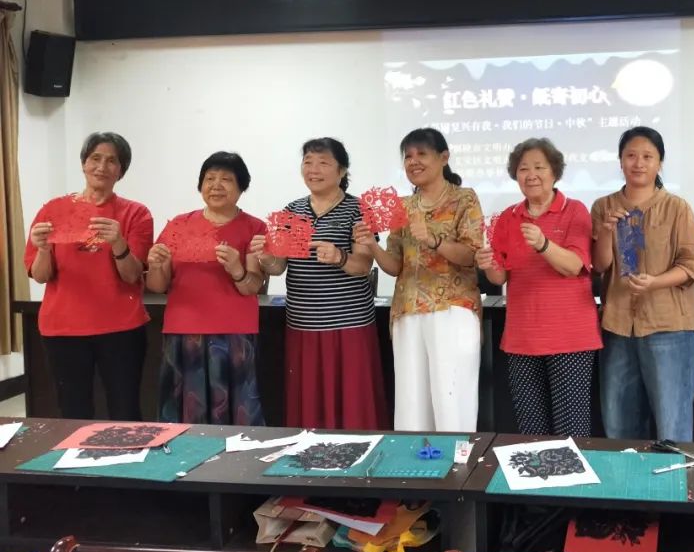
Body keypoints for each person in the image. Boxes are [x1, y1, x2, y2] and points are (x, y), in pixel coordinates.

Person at [250, 138, 387, 430]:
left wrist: (339, 257)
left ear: (342, 171)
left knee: (352, 403)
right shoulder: (292, 211)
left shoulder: (358, 209)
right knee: (309, 405)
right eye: (308, 162)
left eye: (323, 162)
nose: (314, 169)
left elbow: (364, 266)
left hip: (349, 324)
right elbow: (278, 267)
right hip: (303, 324)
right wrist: (265, 257)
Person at [357, 128, 483, 432]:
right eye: (408, 156)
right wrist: (372, 245)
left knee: (450, 396)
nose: (413, 161)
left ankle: (456, 457)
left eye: (421, 154)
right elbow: (395, 265)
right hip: (407, 310)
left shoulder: (464, 198)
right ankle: (413, 456)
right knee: (411, 401)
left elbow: (471, 254)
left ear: (443, 158)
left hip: (452, 309)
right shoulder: (402, 206)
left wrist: (434, 240)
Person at [476, 138, 601, 436]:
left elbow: (574, 265)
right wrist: (487, 263)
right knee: (531, 431)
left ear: (554, 172)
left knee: (571, 431)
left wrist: (544, 244)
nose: (531, 175)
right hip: (522, 338)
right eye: (523, 169)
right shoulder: (508, 218)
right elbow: (499, 278)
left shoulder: (575, 211)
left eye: (539, 167)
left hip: (569, 338)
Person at [25, 132, 152, 420]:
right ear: (84, 163)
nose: (102, 167)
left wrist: (118, 243)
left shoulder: (135, 213)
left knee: (125, 410)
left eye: (112, 161)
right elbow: (41, 276)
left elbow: (133, 275)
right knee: (73, 412)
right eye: (95, 158)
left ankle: (127, 452)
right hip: (63, 327)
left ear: (121, 171)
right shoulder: (53, 210)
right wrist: (43, 249)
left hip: (121, 327)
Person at [591, 126, 694, 443]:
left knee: (672, 427)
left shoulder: (676, 207)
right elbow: (600, 265)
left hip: (670, 327)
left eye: (647, 156)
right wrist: (606, 232)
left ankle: (672, 477)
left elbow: (692, 266)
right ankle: (628, 476)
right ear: (620, 161)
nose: (638, 163)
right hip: (618, 326)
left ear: (660, 163)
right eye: (631, 156)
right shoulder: (604, 206)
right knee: (619, 427)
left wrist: (655, 282)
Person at [146, 152, 266, 426]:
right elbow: (157, 285)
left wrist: (236, 269)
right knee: (186, 411)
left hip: (234, 333)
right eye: (209, 179)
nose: (216, 185)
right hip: (183, 331)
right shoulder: (179, 225)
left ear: (242, 187)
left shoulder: (254, 227)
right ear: (200, 185)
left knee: (236, 410)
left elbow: (253, 286)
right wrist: (156, 265)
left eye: (226, 179)